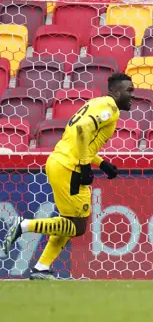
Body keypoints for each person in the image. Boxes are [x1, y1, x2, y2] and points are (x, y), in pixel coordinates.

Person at [1, 73, 134, 280]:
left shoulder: (96, 103)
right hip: (70, 167)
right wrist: (83, 166)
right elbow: (82, 129)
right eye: (129, 91)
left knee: (67, 223)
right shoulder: (110, 109)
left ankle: (41, 268)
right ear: (116, 92)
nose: (132, 95)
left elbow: (80, 136)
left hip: (59, 161)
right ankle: (23, 225)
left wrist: (101, 163)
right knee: (77, 226)